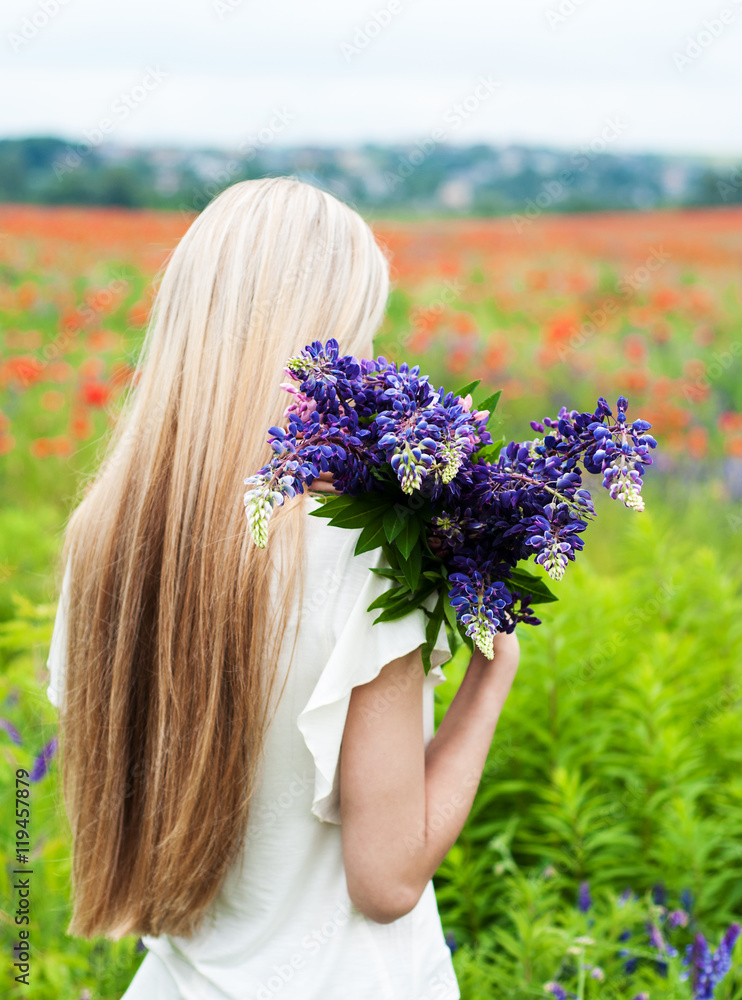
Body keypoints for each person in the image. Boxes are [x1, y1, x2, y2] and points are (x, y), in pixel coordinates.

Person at [45, 176, 520, 999]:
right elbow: (386, 881)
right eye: (359, 335)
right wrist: (492, 673)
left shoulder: (106, 537)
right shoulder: (369, 554)